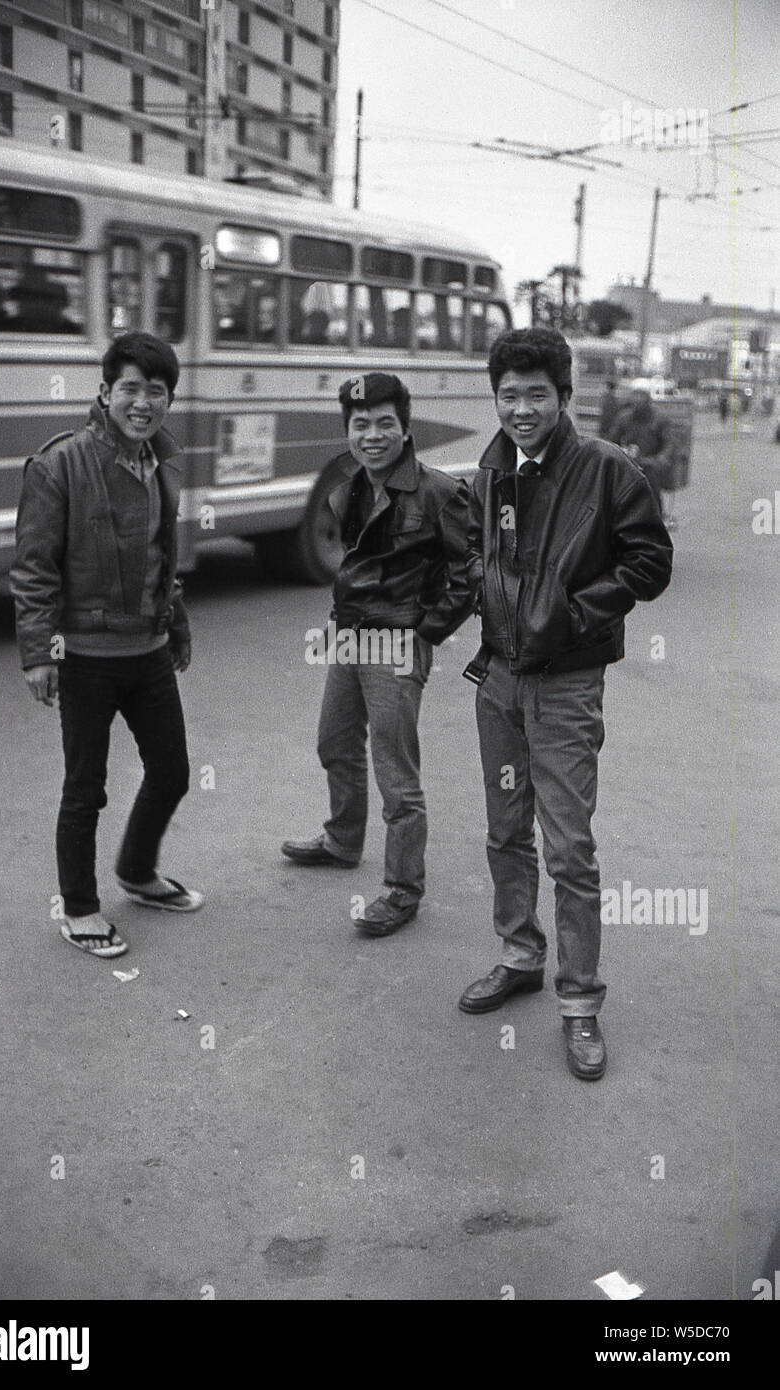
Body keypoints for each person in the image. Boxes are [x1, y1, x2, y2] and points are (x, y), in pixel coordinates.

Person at [459, 328, 673, 1080]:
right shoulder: (487, 473)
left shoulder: (606, 469)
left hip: (567, 685)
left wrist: (577, 615)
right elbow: (470, 564)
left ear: (563, 397)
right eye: (509, 396)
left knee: (570, 848)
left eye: (536, 395)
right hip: (499, 681)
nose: (521, 410)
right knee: (504, 831)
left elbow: (650, 561)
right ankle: (519, 954)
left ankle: (580, 1004)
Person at [10, 332, 202, 959]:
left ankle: (137, 872)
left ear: (168, 399)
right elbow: (35, 566)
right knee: (85, 788)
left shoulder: (160, 461)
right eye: (131, 389)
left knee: (172, 770)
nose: (143, 403)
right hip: (84, 656)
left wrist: (174, 622)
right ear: (104, 392)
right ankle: (80, 908)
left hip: (145, 650)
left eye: (156, 391)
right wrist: (40, 651)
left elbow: (159, 556)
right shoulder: (59, 463)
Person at [281, 372, 473, 936]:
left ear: (405, 429)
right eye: (360, 424)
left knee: (397, 775)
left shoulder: (439, 491)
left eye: (384, 423)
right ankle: (343, 840)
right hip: (351, 633)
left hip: (397, 641)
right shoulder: (350, 483)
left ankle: (402, 888)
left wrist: (426, 634)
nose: (372, 435)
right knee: (334, 742)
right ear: (348, 431)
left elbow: (468, 575)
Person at [609, 383, 676, 513]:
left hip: (650, 462)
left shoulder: (659, 419)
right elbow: (612, 439)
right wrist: (617, 451)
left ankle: (655, 517)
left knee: (651, 487)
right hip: (628, 460)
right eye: (634, 403)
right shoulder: (624, 418)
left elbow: (669, 442)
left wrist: (661, 458)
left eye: (641, 403)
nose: (637, 407)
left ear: (648, 402)